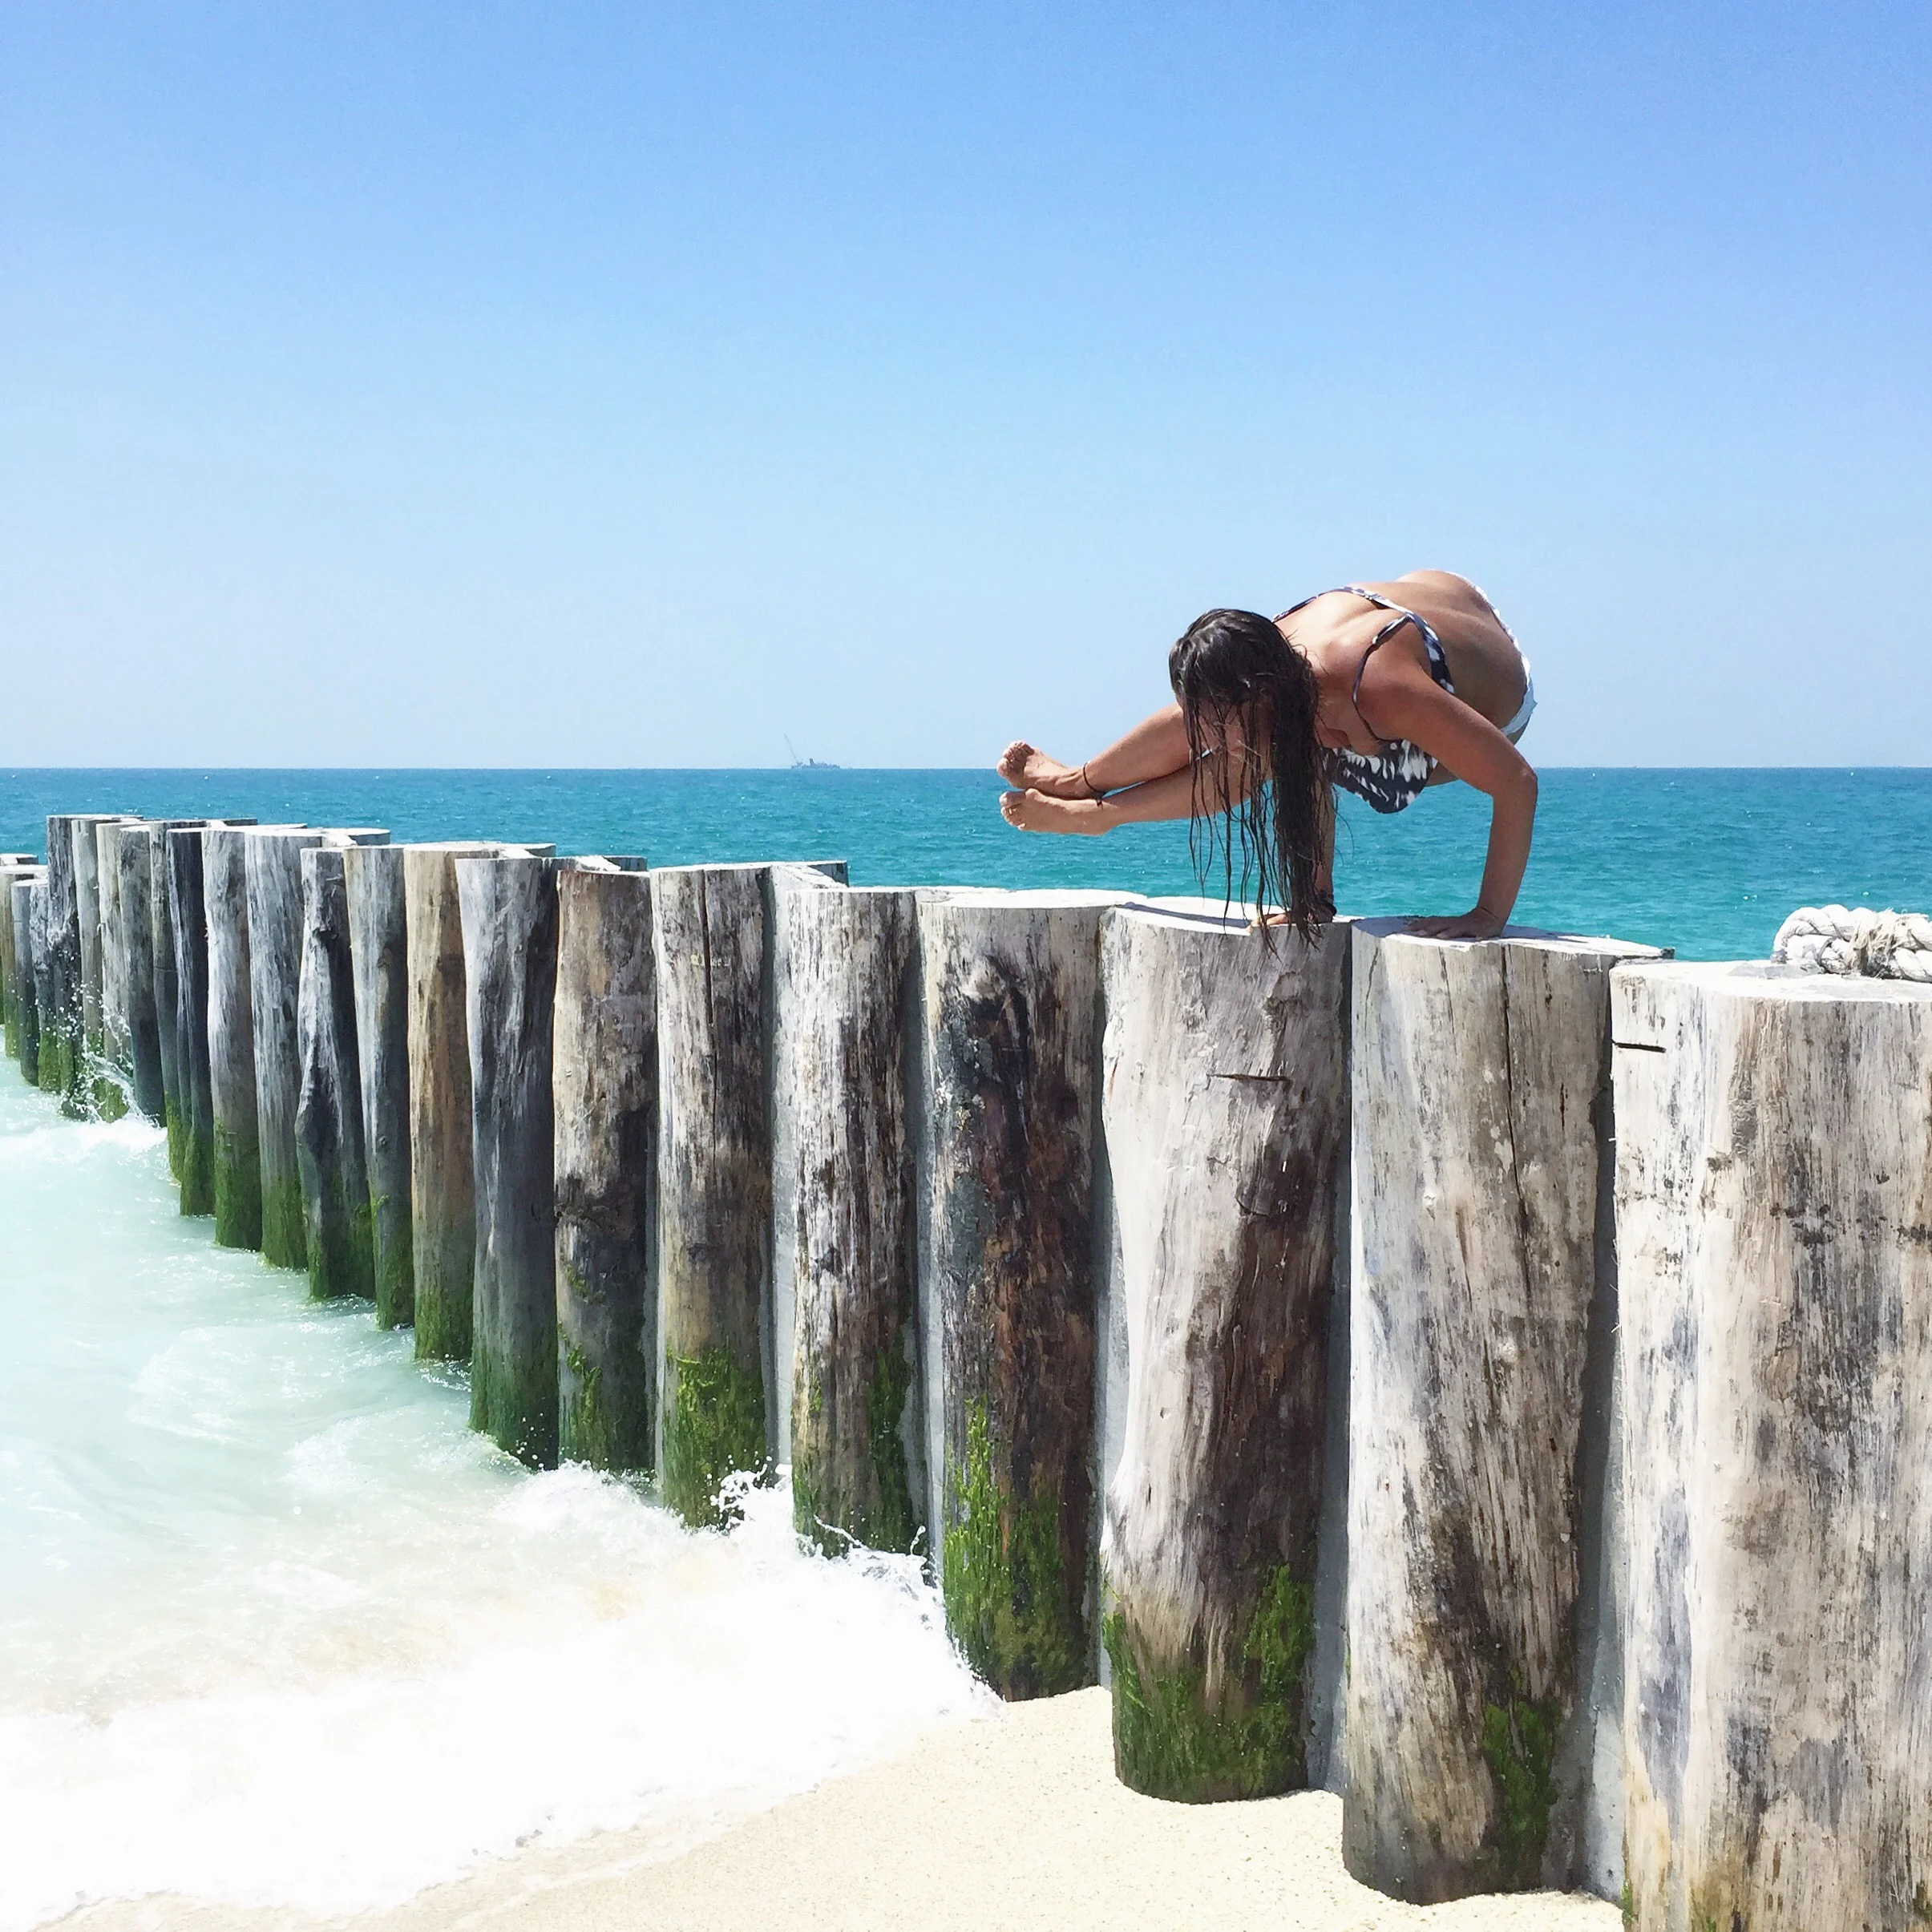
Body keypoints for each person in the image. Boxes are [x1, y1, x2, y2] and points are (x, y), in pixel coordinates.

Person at [997, 571, 1538, 941]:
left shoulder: (1381, 689)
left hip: (1495, 688)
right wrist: (1314, 900)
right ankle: (1079, 782)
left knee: (1257, 756)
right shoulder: (1266, 654)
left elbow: (1516, 782)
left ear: (1265, 690)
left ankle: (1102, 816)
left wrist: (1488, 915)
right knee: (1244, 734)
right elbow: (1292, 763)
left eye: (1219, 722)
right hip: (1425, 594)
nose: (1208, 737)